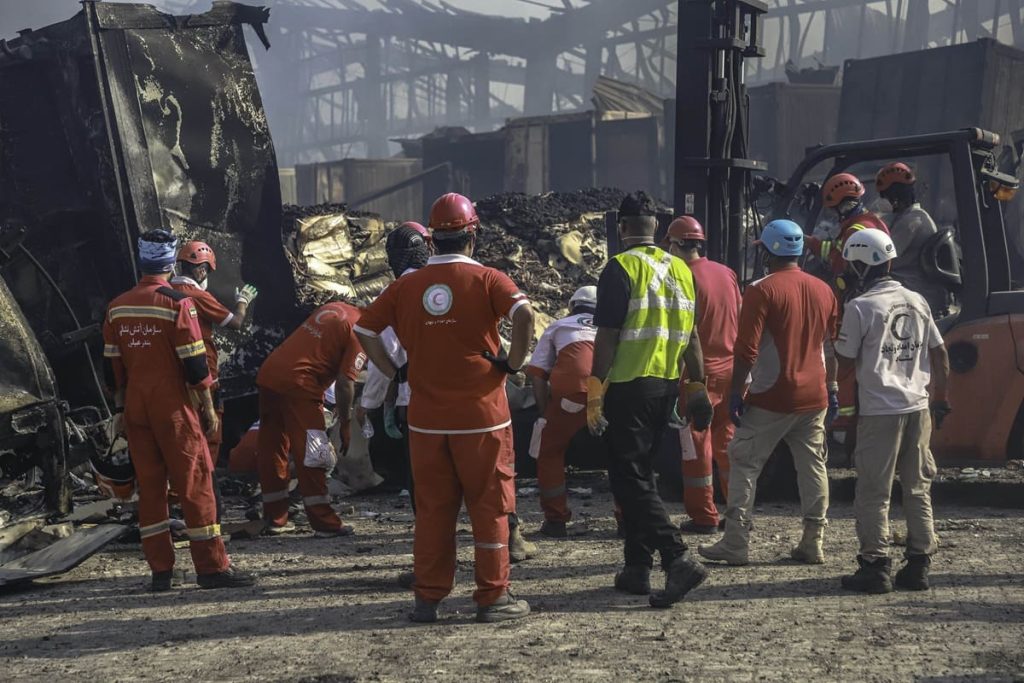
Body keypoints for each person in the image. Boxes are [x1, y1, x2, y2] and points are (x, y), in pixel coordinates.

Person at [355, 192, 536, 624]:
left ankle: (428, 598)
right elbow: (525, 314)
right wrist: (513, 364)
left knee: (434, 510)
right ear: (473, 236)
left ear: (432, 240)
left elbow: (363, 329)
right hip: (483, 418)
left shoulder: (405, 287)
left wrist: (397, 369)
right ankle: (492, 597)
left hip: (426, 421)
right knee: (490, 506)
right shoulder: (491, 279)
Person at [102, 229, 253, 591]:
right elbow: (195, 364)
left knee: (151, 489)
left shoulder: (117, 306)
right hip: (175, 409)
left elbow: (113, 368)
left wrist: (120, 410)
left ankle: (161, 571)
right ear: (171, 263)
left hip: (137, 409)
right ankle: (211, 567)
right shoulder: (177, 303)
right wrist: (207, 406)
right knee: (195, 482)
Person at [587, 191, 712, 609]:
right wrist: (696, 385)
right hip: (665, 387)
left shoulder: (619, 268)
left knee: (630, 479)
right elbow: (693, 335)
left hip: (627, 386)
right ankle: (636, 567)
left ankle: (676, 557)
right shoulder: (680, 268)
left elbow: (607, 335)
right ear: (656, 227)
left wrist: (594, 389)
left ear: (621, 228)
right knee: (642, 474)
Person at [699, 219, 838, 567]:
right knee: (813, 466)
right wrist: (832, 389)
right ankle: (813, 541)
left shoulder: (761, 290)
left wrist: (736, 393)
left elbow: (745, 350)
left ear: (769, 251)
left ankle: (735, 542)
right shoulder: (824, 290)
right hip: (815, 395)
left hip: (773, 394)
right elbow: (831, 348)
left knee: (744, 462)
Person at [834, 228, 950, 593]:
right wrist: (940, 400)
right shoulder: (917, 300)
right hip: (918, 408)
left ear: (862, 264)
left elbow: (844, 360)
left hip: (880, 412)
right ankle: (918, 565)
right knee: (917, 488)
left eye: (852, 264)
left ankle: (875, 566)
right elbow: (940, 354)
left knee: (873, 491)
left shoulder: (860, 307)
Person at [256, 301, 365, 537]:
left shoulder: (336, 308)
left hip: (271, 373)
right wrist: (346, 423)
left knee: (273, 448)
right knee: (315, 452)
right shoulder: (362, 329)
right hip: (301, 384)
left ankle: (275, 517)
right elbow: (346, 383)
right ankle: (324, 522)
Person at [662, 216, 741, 534]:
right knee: (728, 443)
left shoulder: (680, 276)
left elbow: (682, 331)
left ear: (678, 244)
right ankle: (738, 514)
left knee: (694, 444)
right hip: (730, 369)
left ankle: (704, 516)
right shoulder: (726, 273)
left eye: (669, 244)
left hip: (698, 374)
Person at [171, 241, 258, 462]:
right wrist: (243, 302)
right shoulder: (198, 296)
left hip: (175, 374)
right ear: (201, 269)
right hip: (204, 373)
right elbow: (235, 322)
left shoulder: (168, 290)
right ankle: (206, 484)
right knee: (210, 432)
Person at [525, 285, 598, 538]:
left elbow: (536, 374)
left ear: (572, 306)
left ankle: (556, 520)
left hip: (572, 396)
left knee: (549, 451)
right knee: (620, 455)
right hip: (609, 395)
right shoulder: (613, 327)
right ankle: (625, 521)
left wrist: (546, 413)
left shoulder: (560, 326)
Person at [876, 162, 948, 316]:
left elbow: (884, 258)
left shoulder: (911, 222)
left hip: (911, 288)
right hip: (908, 286)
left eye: (884, 196)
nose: (881, 201)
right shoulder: (910, 217)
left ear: (895, 198)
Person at [806, 172, 890, 282]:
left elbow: (840, 266)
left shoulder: (855, 232)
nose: (833, 215)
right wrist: (811, 243)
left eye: (833, 210)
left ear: (843, 207)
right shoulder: (871, 220)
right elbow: (837, 249)